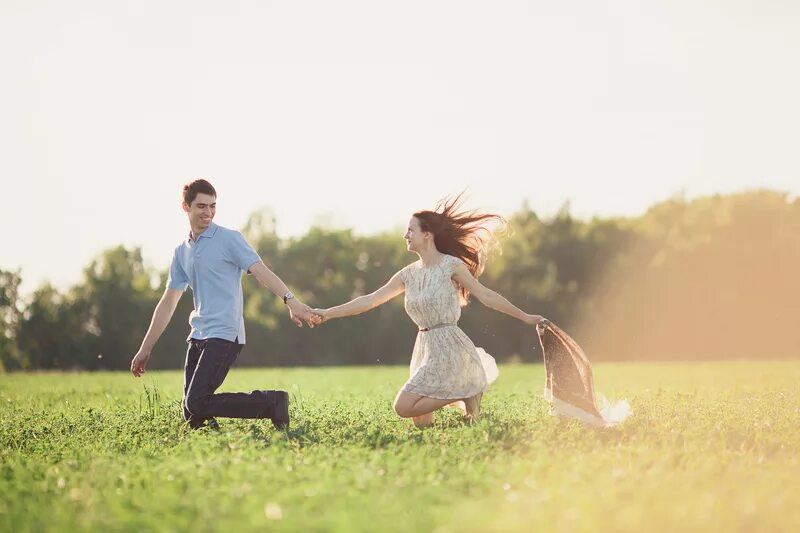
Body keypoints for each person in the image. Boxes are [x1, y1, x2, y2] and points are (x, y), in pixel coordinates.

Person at [313, 196, 547, 427]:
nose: (406, 235)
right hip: (425, 347)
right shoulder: (408, 274)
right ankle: (465, 394)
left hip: (451, 345)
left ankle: (465, 392)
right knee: (421, 421)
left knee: (402, 407)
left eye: (410, 230)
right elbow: (370, 300)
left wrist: (525, 316)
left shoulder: (451, 265)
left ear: (427, 234)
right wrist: (327, 313)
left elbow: (486, 295)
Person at [130, 179, 320, 430]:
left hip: (225, 333)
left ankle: (273, 402)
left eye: (212, 206)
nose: (207, 212)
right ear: (185, 207)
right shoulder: (181, 252)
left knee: (196, 402)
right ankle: (212, 446)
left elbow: (261, 272)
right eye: (201, 206)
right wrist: (146, 347)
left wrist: (290, 300)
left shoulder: (229, 239)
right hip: (198, 334)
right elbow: (169, 301)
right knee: (192, 412)